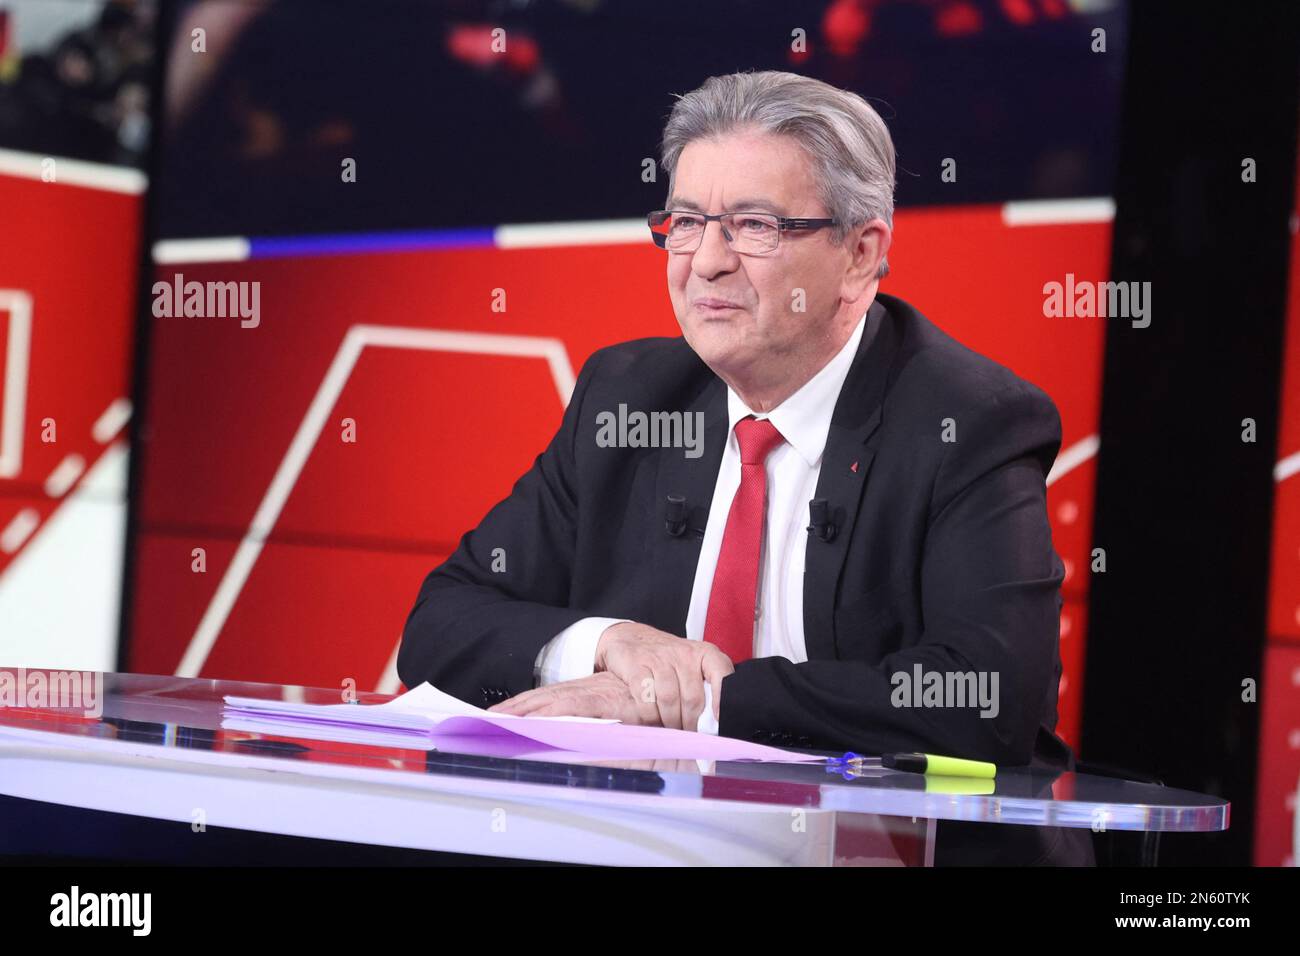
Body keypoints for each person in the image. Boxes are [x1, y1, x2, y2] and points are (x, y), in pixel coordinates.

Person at [398, 70, 1093, 865]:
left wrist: (693, 705)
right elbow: (441, 622)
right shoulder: (629, 398)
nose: (706, 262)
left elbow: (982, 694)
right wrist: (609, 645)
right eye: (688, 221)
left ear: (861, 254)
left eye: (755, 225)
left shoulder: (969, 421)